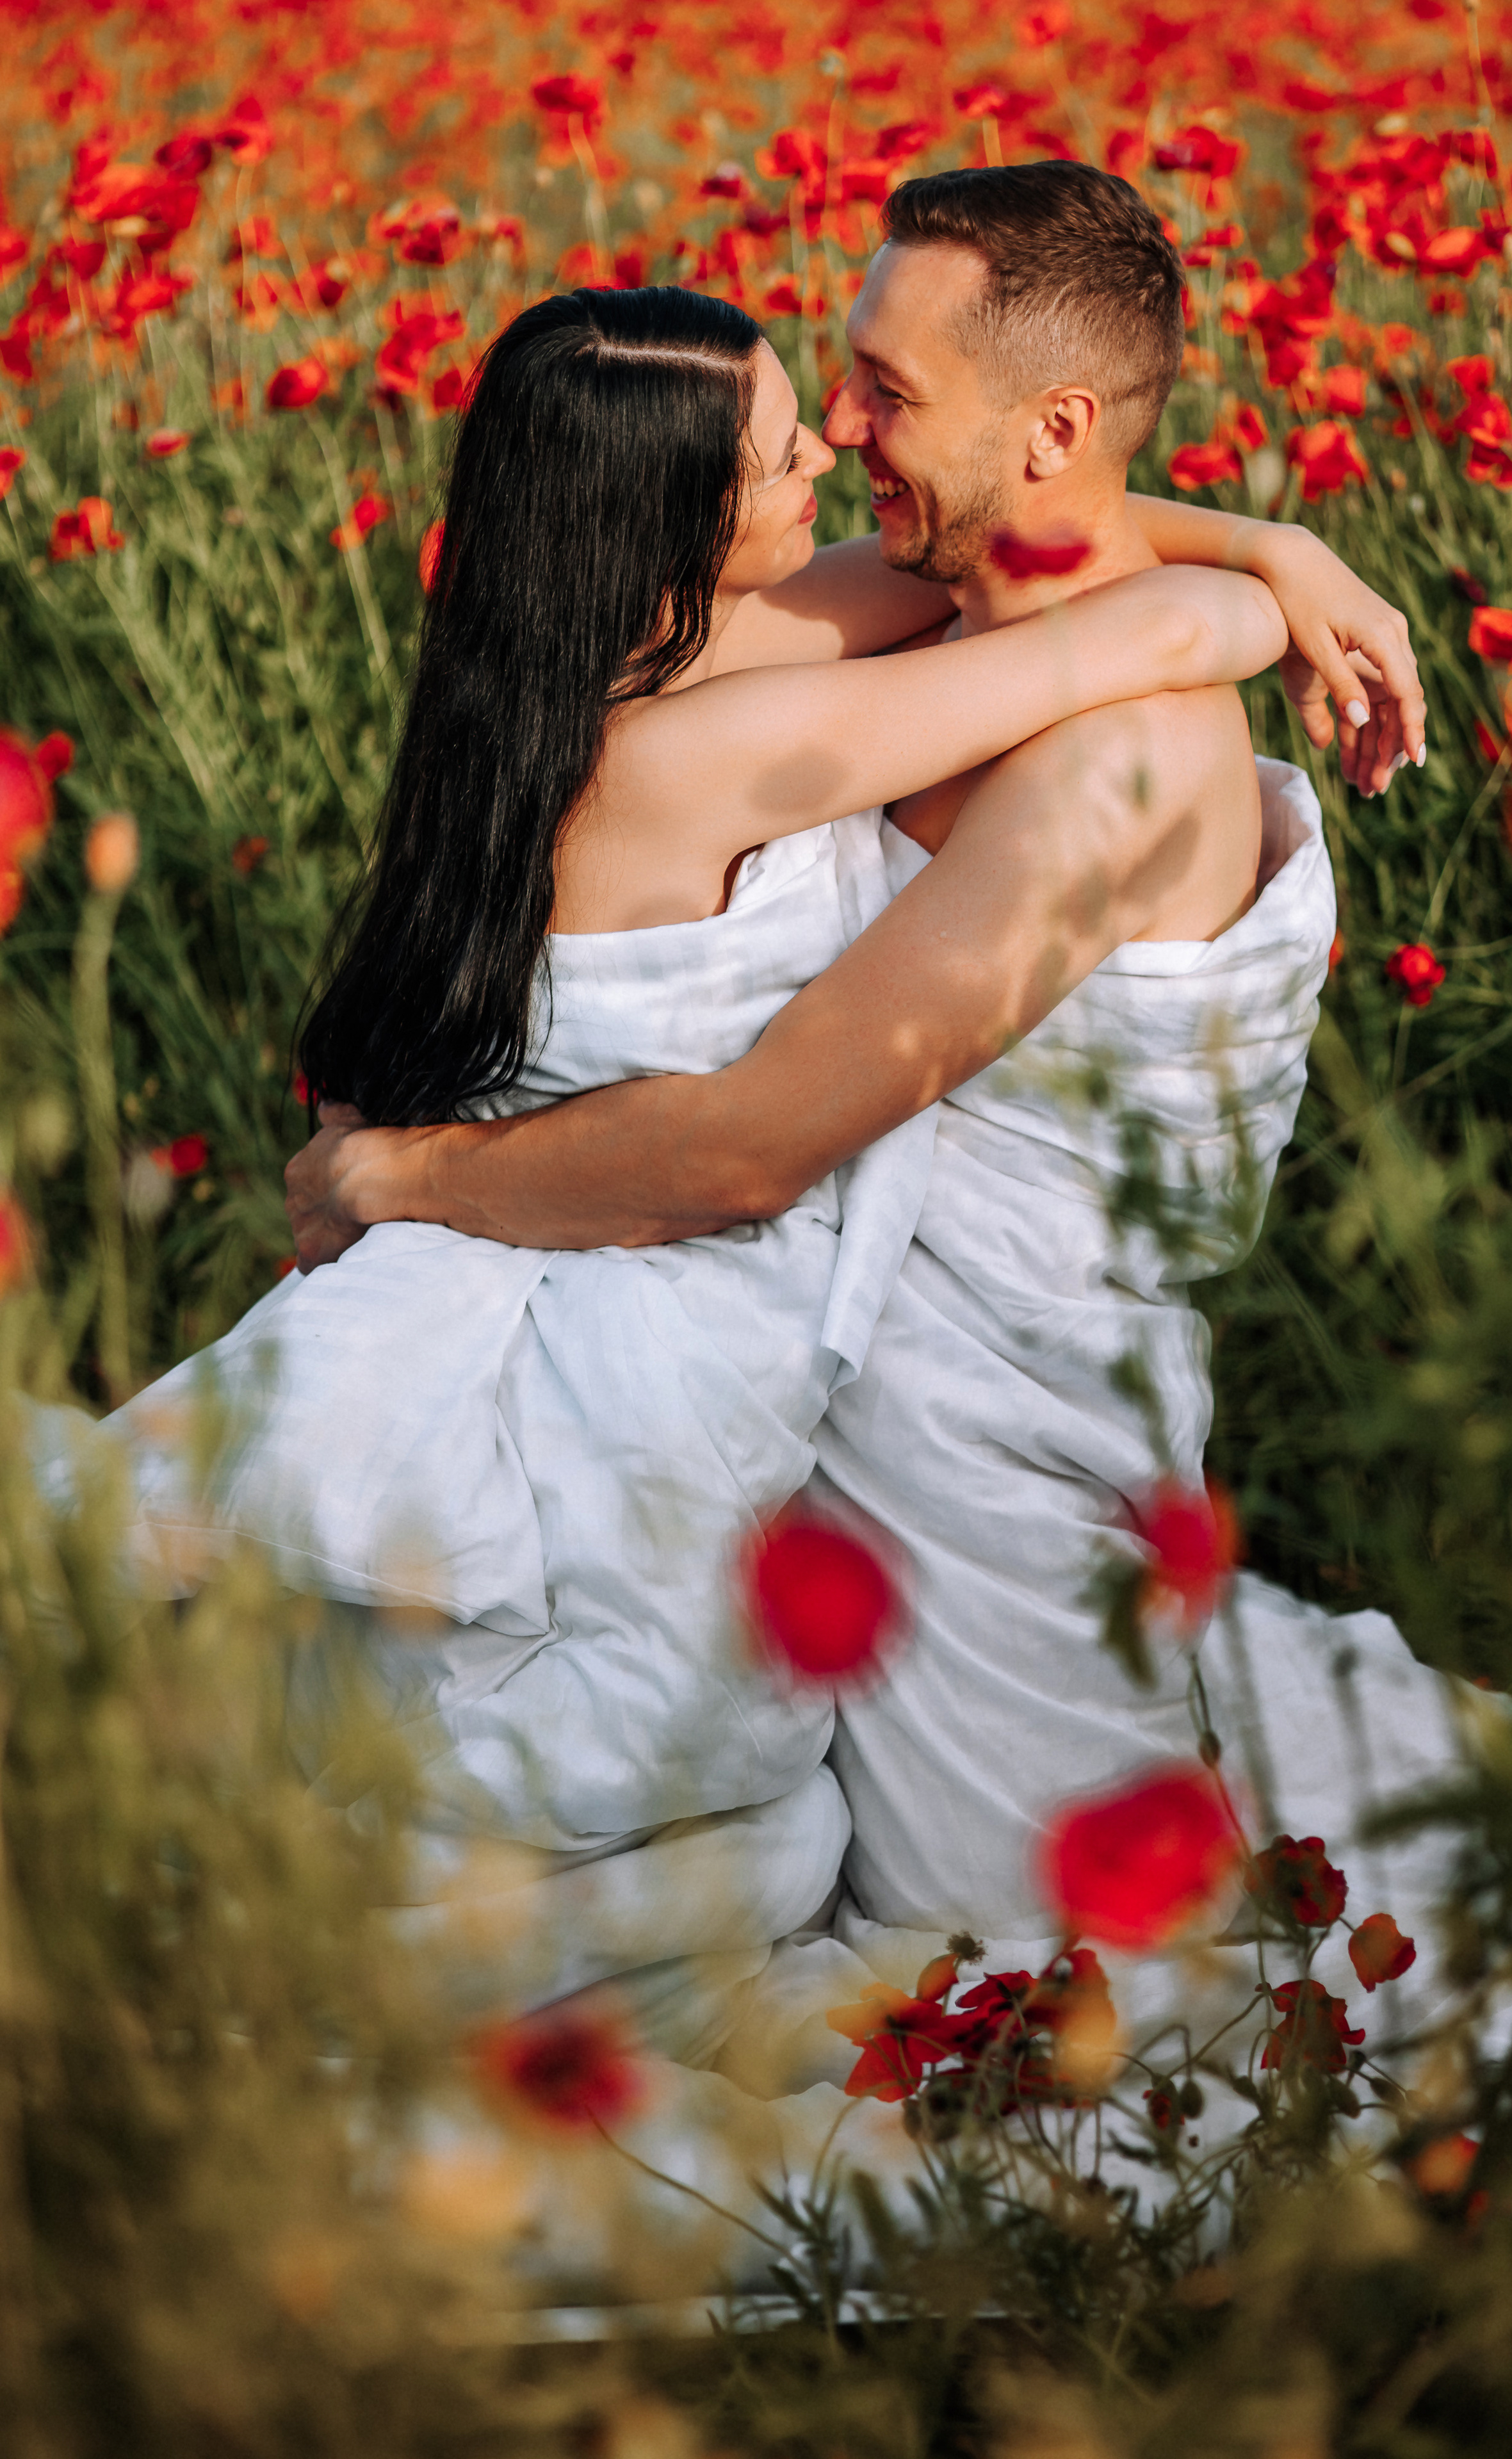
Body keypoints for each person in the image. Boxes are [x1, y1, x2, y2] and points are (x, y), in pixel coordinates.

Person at [39, 271, 1307, 2059]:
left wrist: (1279, 536)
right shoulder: (715, 743)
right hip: (655, 1314)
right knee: (707, 1808)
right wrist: (1290, 582)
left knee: (663, 1803)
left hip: (575, 1287)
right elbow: (1150, 637)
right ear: (680, 520)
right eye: (793, 448)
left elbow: (1006, 555)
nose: (833, 452)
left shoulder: (595, 670)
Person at [282, 166, 1454, 2082]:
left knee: (1050, 1984)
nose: (839, 432)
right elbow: (1060, 581)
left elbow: (758, 1142)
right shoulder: (886, 631)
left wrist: (399, 1177)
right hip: (758, 1409)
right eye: (829, 397)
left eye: (883, 395)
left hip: (980, 1460)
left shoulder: (1116, 752)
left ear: (1050, 426)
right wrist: (1278, 557)